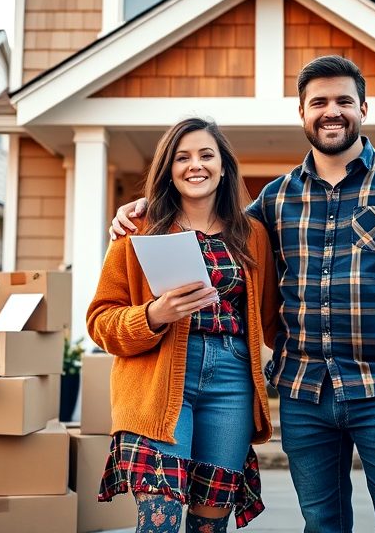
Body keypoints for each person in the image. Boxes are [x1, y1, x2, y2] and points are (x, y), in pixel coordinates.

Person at [112, 56, 375, 532]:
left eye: (344, 100)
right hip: (305, 393)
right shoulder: (276, 199)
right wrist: (146, 205)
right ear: (301, 113)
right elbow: (216, 218)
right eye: (318, 102)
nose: (331, 111)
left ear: (363, 107)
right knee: (322, 525)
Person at [87, 117, 281, 533]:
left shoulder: (254, 236)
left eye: (206, 155)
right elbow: (100, 321)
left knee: (209, 526)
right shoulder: (137, 229)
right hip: (159, 382)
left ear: (224, 166)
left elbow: (275, 320)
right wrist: (154, 315)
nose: (196, 165)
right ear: (169, 170)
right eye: (183, 157)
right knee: (159, 524)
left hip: (232, 382)